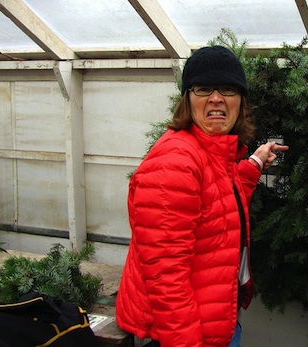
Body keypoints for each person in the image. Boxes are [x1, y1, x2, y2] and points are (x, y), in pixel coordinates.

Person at [116, 46, 288, 347]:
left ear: (241, 101)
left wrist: (255, 164)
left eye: (228, 89)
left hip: (215, 323)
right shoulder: (176, 162)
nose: (217, 98)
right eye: (204, 88)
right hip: (183, 336)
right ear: (188, 99)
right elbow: (166, 280)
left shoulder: (209, 152)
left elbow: (220, 202)